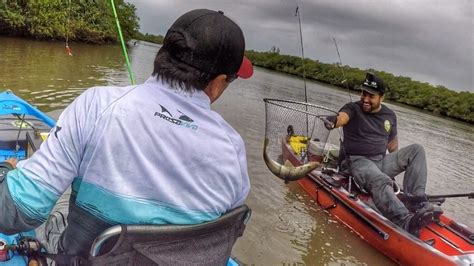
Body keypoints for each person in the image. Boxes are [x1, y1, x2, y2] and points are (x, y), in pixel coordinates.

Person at [0, 9, 253, 258]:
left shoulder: (96, 105)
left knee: (59, 202)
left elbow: (19, 213)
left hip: (84, 257)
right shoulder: (233, 148)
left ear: (163, 54)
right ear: (219, 82)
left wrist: (5, 171)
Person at [324, 72, 440, 236]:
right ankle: (406, 221)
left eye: (371, 96)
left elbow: (393, 146)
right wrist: (333, 121)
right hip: (357, 163)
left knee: (417, 150)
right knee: (379, 178)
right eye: (364, 93)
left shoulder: (389, 116)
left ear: (382, 97)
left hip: (380, 162)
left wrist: (395, 171)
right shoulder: (353, 108)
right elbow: (342, 117)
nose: (365, 98)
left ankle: (416, 201)